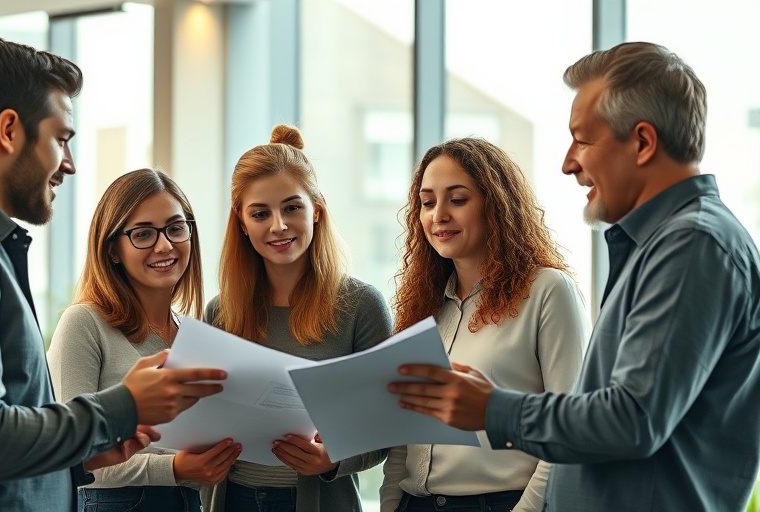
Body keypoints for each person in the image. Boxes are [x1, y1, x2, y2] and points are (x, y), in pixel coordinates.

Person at [389, 42, 760, 511]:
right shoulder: (659, 246)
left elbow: (633, 419)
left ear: (643, 143)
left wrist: (492, 409)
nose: (568, 162)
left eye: (582, 140)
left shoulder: (694, 244)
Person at [0, 37, 227, 512]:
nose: (69, 165)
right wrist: (124, 406)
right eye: (61, 139)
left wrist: (85, 456)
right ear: (10, 130)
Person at [379, 138, 589, 512]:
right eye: (428, 202)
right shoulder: (423, 305)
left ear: (496, 206)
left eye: (457, 199)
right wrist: (391, 504)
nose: (438, 215)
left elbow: (568, 437)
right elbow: (403, 435)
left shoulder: (548, 291)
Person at [203, 124, 393, 512]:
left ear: (317, 210)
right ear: (241, 222)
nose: (278, 225)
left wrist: (334, 459)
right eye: (260, 213)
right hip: (232, 500)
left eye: (292, 207)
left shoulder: (361, 306)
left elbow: (386, 429)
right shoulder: (220, 311)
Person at [47, 168, 241, 511]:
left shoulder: (195, 335)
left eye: (175, 228)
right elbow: (68, 455)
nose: (164, 245)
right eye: (143, 234)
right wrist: (174, 468)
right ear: (113, 251)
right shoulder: (83, 324)